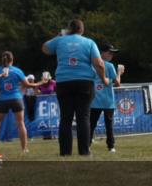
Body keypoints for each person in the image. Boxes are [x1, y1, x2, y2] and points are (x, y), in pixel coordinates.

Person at [42, 18, 107, 157]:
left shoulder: (60, 40)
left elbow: (45, 48)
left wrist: (59, 36)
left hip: (64, 82)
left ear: (69, 29)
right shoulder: (89, 42)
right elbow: (99, 64)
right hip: (85, 83)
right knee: (83, 117)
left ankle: (65, 152)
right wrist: (104, 78)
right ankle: (84, 151)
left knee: (66, 118)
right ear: (82, 30)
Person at [0, 51, 40, 156]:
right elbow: (27, 85)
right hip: (16, 99)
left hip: (2, 100)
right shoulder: (17, 71)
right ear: (12, 60)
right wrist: (39, 83)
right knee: (21, 124)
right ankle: (24, 149)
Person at [90, 44, 123, 153]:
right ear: (102, 52)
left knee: (91, 124)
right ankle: (111, 147)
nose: (111, 55)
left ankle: (87, 145)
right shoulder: (109, 66)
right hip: (108, 100)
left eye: (112, 53)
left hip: (94, 100)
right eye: (109, 52)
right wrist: (119, 72)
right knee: (109, 125)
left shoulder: (91, 64)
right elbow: (117, 83)